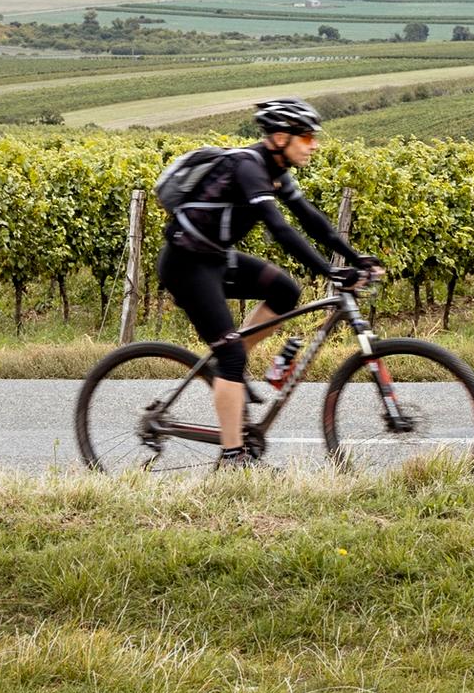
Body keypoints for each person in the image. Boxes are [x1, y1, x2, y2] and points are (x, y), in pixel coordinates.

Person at [160, 96, 377, 469]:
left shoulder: (277, 172)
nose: (314, 145)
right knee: (227, 356)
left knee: (285, 290)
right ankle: (233, 457)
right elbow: (279, 228)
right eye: (306, 137)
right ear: (280, 137)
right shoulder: (248, 167)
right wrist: (329, 271)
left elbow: (312, 221)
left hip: (215, 258)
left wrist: (355, 258)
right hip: (186, 265)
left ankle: (233, 364)